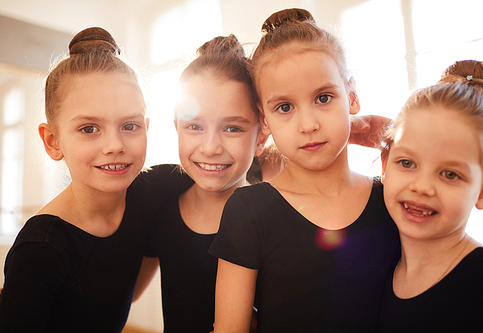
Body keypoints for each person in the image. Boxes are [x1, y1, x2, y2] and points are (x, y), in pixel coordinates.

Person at [209, 8, 400, 332]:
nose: (308, 125)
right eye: (285, 107)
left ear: (351, 96)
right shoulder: (250, 210)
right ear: (265, 119)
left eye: (323, 98)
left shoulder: (392, 197)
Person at [0, 27, 191, 332]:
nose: (114, 145)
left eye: (129, 125)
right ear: (52, 141)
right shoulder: (41, 250)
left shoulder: (156, 188)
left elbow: (219, 166)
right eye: (89, 128)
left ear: (147, 128)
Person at [135, 34, 267, 333]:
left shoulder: (274, 218)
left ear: (261, 135)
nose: (210, 147)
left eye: (232, 128)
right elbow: (126, 295)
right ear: (176, 128)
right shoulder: (161, 208)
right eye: (194, 127)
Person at [378, 60, 483, 332]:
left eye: (450, 174)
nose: (422, 187)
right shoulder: (377, 268)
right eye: (407, 163)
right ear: (385, 164)